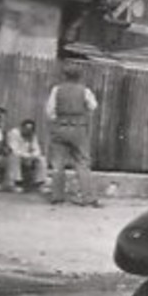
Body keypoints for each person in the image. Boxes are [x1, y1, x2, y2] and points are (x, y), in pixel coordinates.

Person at [45, 62, 101, 207]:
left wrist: (59, 119)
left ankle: (57, 197)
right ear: (79, 76)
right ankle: (88, 198)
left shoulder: (57, 90)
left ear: (64, 75)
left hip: (61, 127)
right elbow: (93, 106)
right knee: (83, 163)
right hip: (78, 128)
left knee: (58, 163)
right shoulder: (85, 90)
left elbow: (49, 111)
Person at [6, 118, 48, 193]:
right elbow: (14, 149)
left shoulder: (32, 136)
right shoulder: (14, 133)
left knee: (41, 159)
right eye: (26, 128)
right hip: (13, 156)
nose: (27, 130)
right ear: (21, 127)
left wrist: (32, 156)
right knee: (14, 157)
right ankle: (16, 183)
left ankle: (40, 183)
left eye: (30, 129)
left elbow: (37, 150)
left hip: (28, 157)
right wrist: (27, 156)